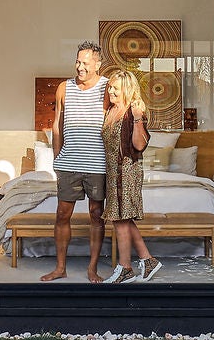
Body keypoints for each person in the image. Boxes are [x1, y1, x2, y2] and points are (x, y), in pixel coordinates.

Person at [41, 40, 111, 282]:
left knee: (96, 214)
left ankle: (92, 268)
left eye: (85, 63)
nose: (80, 67)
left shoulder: (107, 88)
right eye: (78, 62)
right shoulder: (64, 88)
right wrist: (57, 157)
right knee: (62, 213)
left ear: (98, 64)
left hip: (97, 164)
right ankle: (60, 268)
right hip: (69, 163)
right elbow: (57, 125)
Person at [102, 68, 162, 284]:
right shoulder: (110, 110)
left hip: (127, 172)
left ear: (127, 89)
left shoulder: (133, 111)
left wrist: (137, 119)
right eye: (110, 87)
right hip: (113, 173)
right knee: (122, 219)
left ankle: (125, 268)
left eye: (115, 88)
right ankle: (148, 260)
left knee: (120, 219)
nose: (111, 91)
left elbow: (138, 145)